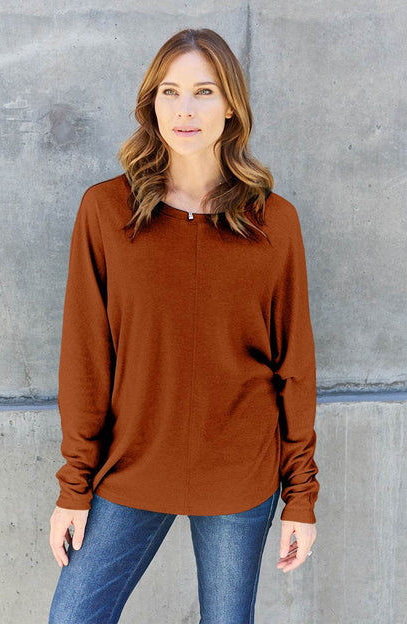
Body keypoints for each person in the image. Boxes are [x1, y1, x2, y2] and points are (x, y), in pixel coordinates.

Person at [48, 27, 319, 624]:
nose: (185, 110)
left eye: (204, 91)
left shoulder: (274, 222)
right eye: (169, 92)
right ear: (152, 104)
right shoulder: (106, 212)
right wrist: (74, 486)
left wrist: (301, 496)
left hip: (239, 472)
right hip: (131, 466)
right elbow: (86, 359)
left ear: (231, 105)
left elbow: (295, 365)